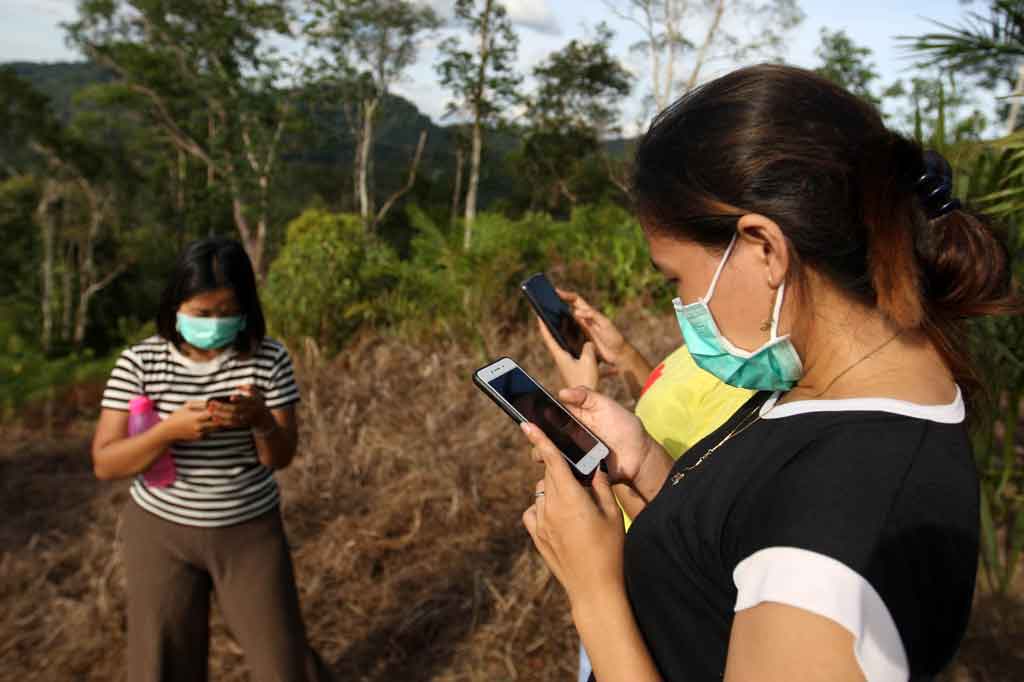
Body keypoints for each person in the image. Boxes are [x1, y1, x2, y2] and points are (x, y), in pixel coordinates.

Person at [519, 64, 1018, 682]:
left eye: (676, 277)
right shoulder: (824, 385)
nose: (681, 306)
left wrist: (594, 591)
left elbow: (791, 537)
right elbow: (736, 547)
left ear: (764, 248)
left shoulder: (832, 554)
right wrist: (644, 465)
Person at [92, 237, 330, 682]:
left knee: (283, 662)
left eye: (227, 314)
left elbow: (280, 457)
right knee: (162, 663)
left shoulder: (267, 357)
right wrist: (168, 431)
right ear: (175, 305)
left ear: (245, 309)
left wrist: (259, 419)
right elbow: (106, 463)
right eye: (202, 314)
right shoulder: (140, 362)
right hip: (160, 533)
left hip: (249, 532)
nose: (215, 325)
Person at [532, 290, 754, 682]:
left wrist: (593, 590)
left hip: (632, 598)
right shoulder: (718, 347)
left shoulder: (757, 384)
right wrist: (626, 357)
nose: (687, 298)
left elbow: (704, 532)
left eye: (675, 275)